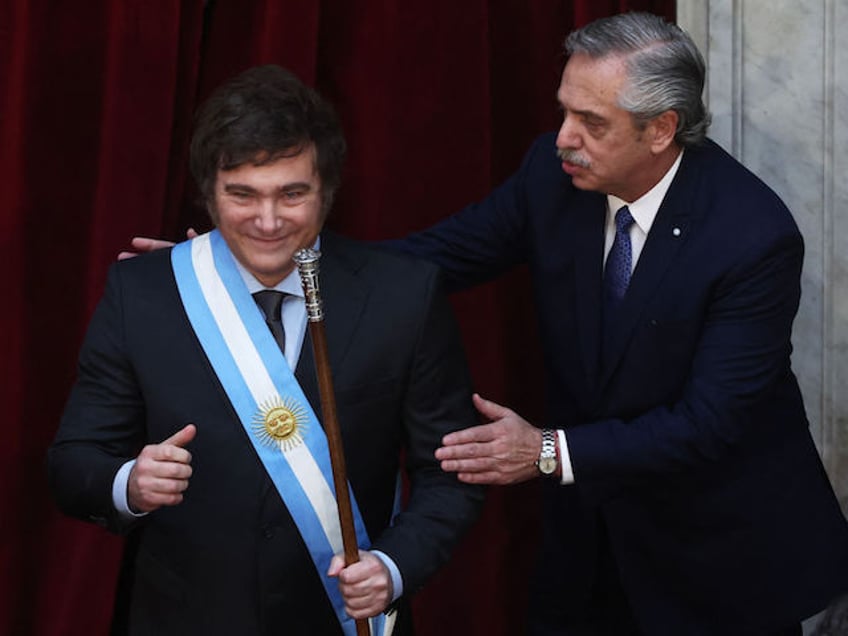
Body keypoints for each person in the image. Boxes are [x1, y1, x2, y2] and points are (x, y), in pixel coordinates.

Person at [122, 12, 848, 635]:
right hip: (588, 549)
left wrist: (545, 452)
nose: (564, 136)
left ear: (661, 130)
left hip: (720, 556)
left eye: (590, 123)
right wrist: (257, 259)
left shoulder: (752, 236)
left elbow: (708, 423)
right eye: (564, 109)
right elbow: (431, 261)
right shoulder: (553, 175)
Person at [48, 64, 484, 636]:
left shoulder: (404, 295)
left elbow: (450, 473)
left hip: (340, 621)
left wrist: (394, 568)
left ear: (326, 192)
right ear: (209, 194)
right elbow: (74, 460)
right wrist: (129, 482)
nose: (269, 221)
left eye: (292, 194)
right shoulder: (143, 294)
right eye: (243, 195)